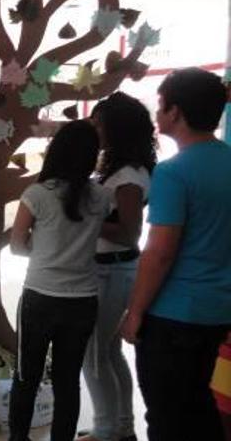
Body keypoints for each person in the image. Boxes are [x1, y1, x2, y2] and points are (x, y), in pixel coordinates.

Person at [120, 68, 231, 441]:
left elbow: (160, 252)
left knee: (166, 415)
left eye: (161, 104)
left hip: (173, 315)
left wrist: (135, 312)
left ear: (176, 112)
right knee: (199, 404)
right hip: (217, 311)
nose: (157, 112)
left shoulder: (173, 172)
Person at [7, 120, 111, 441]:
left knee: (27, 377)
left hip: (39, 297)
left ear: (56, 151)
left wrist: (44, 257)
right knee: (68, 382)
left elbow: (15, 245)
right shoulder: (103, 196)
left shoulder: (37, 194)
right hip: (83, 302)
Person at [77, 93, 156, 441]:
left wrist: (84, 220)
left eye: (99, 122)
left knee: (92, 355)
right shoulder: (119, 167)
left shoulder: (127, 176)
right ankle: (121, 428)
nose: (94, 128)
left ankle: (107, 430)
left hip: (113, 270)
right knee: (108, 352)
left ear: (117, 128)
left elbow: (129, 233)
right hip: (111, 269)